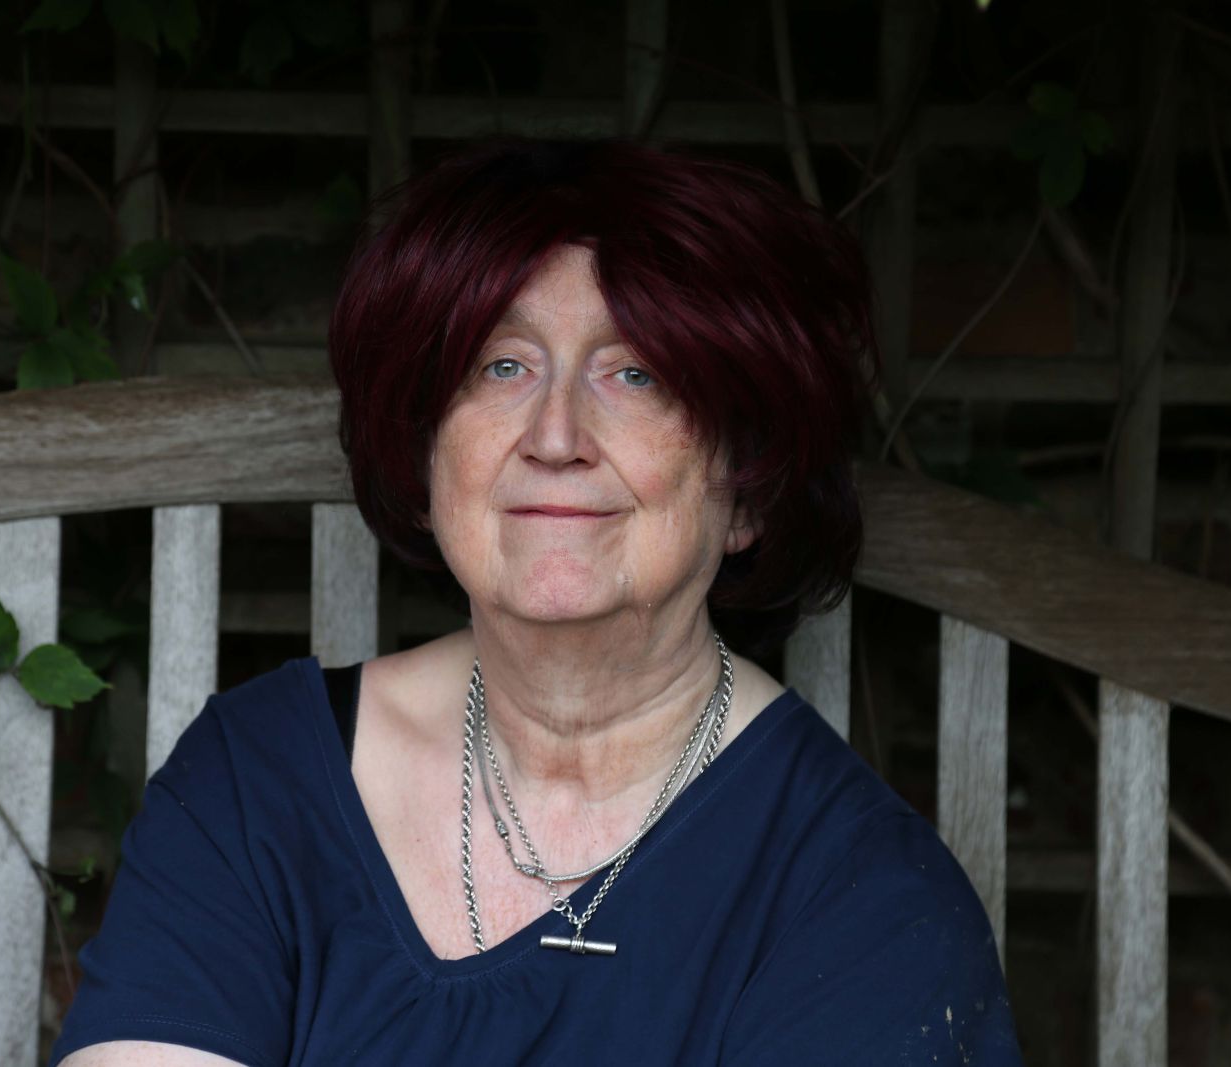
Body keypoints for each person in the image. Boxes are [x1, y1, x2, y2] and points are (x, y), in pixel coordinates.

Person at [50, 138, 1024, 1065]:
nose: (555, 433)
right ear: (428, 459)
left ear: (749, 489)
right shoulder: (258, 783)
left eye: (636, 373)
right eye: (502, 365)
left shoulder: (858, 895)